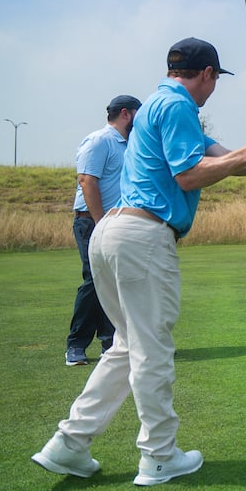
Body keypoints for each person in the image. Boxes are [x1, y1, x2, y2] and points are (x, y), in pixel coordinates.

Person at [32, 37, 246, 486]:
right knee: (152, 349)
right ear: (207, 74)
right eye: (215, 79)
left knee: (128, 346)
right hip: (143, 236)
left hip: (115, 231)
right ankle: (159, 456)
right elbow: (189, 174)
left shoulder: (159, 104)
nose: (214, 87)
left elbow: (217, 158)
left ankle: (69, 444)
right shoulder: (178, 107)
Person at [64, 94, 141, 367]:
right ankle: (76, 345)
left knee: (113, 282)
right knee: (94, 280)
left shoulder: (129, 145)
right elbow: (87, 181)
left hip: (115, 223)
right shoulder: (100, 141)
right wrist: (100, 223)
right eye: (137, 115)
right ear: (125, 114)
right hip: (91, 221)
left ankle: (111, 341)